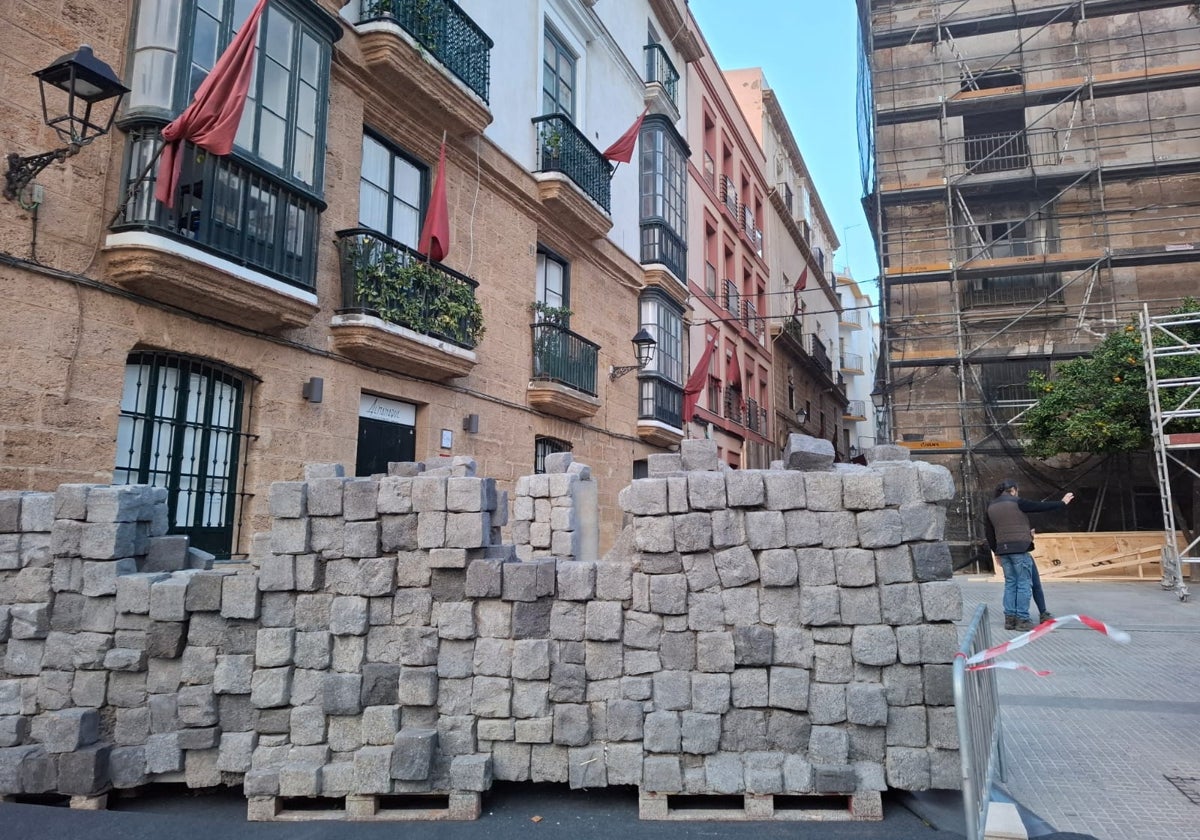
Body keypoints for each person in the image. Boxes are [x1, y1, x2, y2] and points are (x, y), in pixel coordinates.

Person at [985, 480, 1074, 631]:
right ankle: (1022, 619)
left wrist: (996, 552)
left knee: (1010, 584)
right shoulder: (1017, 502)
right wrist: (1062, 503)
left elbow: (989, 533)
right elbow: (1040, 507)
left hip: (1003, 551)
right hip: (1020, 549)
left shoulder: (990, 506)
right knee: (1024, 584)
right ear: (1013, 490)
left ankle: (1010, 619)